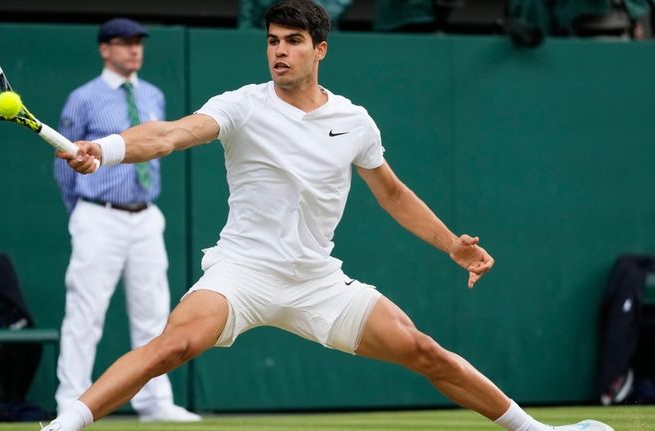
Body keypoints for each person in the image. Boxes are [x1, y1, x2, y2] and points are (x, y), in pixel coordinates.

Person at [47, 2, 614, 430]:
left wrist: (450, 245)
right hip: (242, 272)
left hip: (316, 279)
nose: (280, 52)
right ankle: (64, 423)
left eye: (293, 41)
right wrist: (110, 148)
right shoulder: (241, 105)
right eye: (273, 41)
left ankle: (536, 430)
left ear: (320, 49)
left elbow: (392, 194)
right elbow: (170, 134)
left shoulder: (354, 121)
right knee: (170, 346)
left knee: (423, 351)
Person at [52, 17, 200, 423]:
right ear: (105, 49)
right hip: (98, 216)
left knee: (154, 311)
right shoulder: (83, 98)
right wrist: (82, 214)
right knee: (86, 312)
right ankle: (71, 401)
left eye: (139, 43)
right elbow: (65, 166)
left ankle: (154, 402)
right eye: (124, 43)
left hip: (147, 217)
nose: (134, 49)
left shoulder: (152, 95)